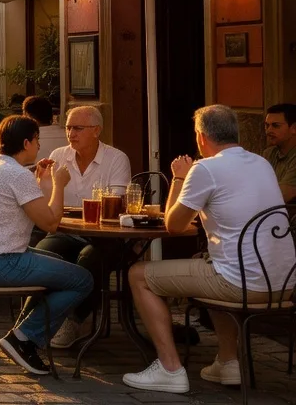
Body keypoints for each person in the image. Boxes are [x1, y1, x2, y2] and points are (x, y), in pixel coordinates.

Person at [123, 105, 296, 394]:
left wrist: (179, 177)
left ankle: (169, 368)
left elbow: (174, 225)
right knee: (208, 262)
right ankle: (228, 363)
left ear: (201, 137)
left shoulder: (205, 168)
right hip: (284, 284)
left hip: (241, 283)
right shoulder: (261, 163)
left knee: (138, 274)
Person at [0, 115, 91, 374]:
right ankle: (24, 337)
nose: (39, 146)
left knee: (61, 265)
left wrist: (41, 182)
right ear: (27, 142)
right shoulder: (16, 174)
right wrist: (59, 185)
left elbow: (29, 207)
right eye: (37, 140)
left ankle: (25, 331)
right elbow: (50, 223)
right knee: (82, 279)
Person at [31, 104, 132, 347]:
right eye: (68, 128)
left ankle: (73, 319)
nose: (71, 133)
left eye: (78, 128)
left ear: (96, 130)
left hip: (105, 236)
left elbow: (116, 204)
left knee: (89, 260)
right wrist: (43, 181)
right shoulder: (58, 156)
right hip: (66, 231)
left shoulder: (116, 158)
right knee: (44, 253)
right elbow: (48, 201)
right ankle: (39, 317)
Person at [261, 103, 296, 201]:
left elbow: (283, 195)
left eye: (275, 126)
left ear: (294, 128)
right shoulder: (269, 153)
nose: (268, 131)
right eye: (266, 126)